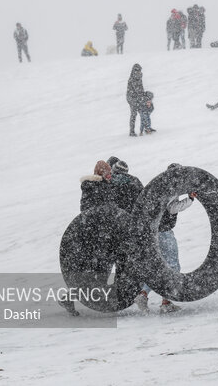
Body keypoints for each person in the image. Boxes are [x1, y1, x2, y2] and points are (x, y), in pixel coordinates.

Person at [133, 163, 198, 314]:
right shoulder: (171, 188)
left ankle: (143, 294)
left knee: (159, 267)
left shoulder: (160, 186)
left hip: (153, 232)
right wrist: (190, 199)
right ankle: (165, 302)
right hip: (164, 232)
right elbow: (173, 208)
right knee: (172, 266)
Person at [58, 159, 115, 316]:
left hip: (101, 236)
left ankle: (83, 299)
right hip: (94, 238)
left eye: (111, 173)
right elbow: (93, 212)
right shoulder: (94, 187)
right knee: (93, 273)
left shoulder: (102, 186)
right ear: (101, 173)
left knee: (101, 271)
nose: (111, 176)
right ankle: (69, 298)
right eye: (108, 173)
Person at [126, 63, 145, 137]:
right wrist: (142, 96)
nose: (139, 72)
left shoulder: (139, 77)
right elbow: (137, 89)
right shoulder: (132, 78)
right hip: (131, 98)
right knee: (134, 114)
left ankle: (146, 128)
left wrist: (144, 95)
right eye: (138, 71)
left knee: (143, 112)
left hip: (137, 97)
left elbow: (141, 88)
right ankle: (131, 131)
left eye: (140, 70)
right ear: (134, 71)